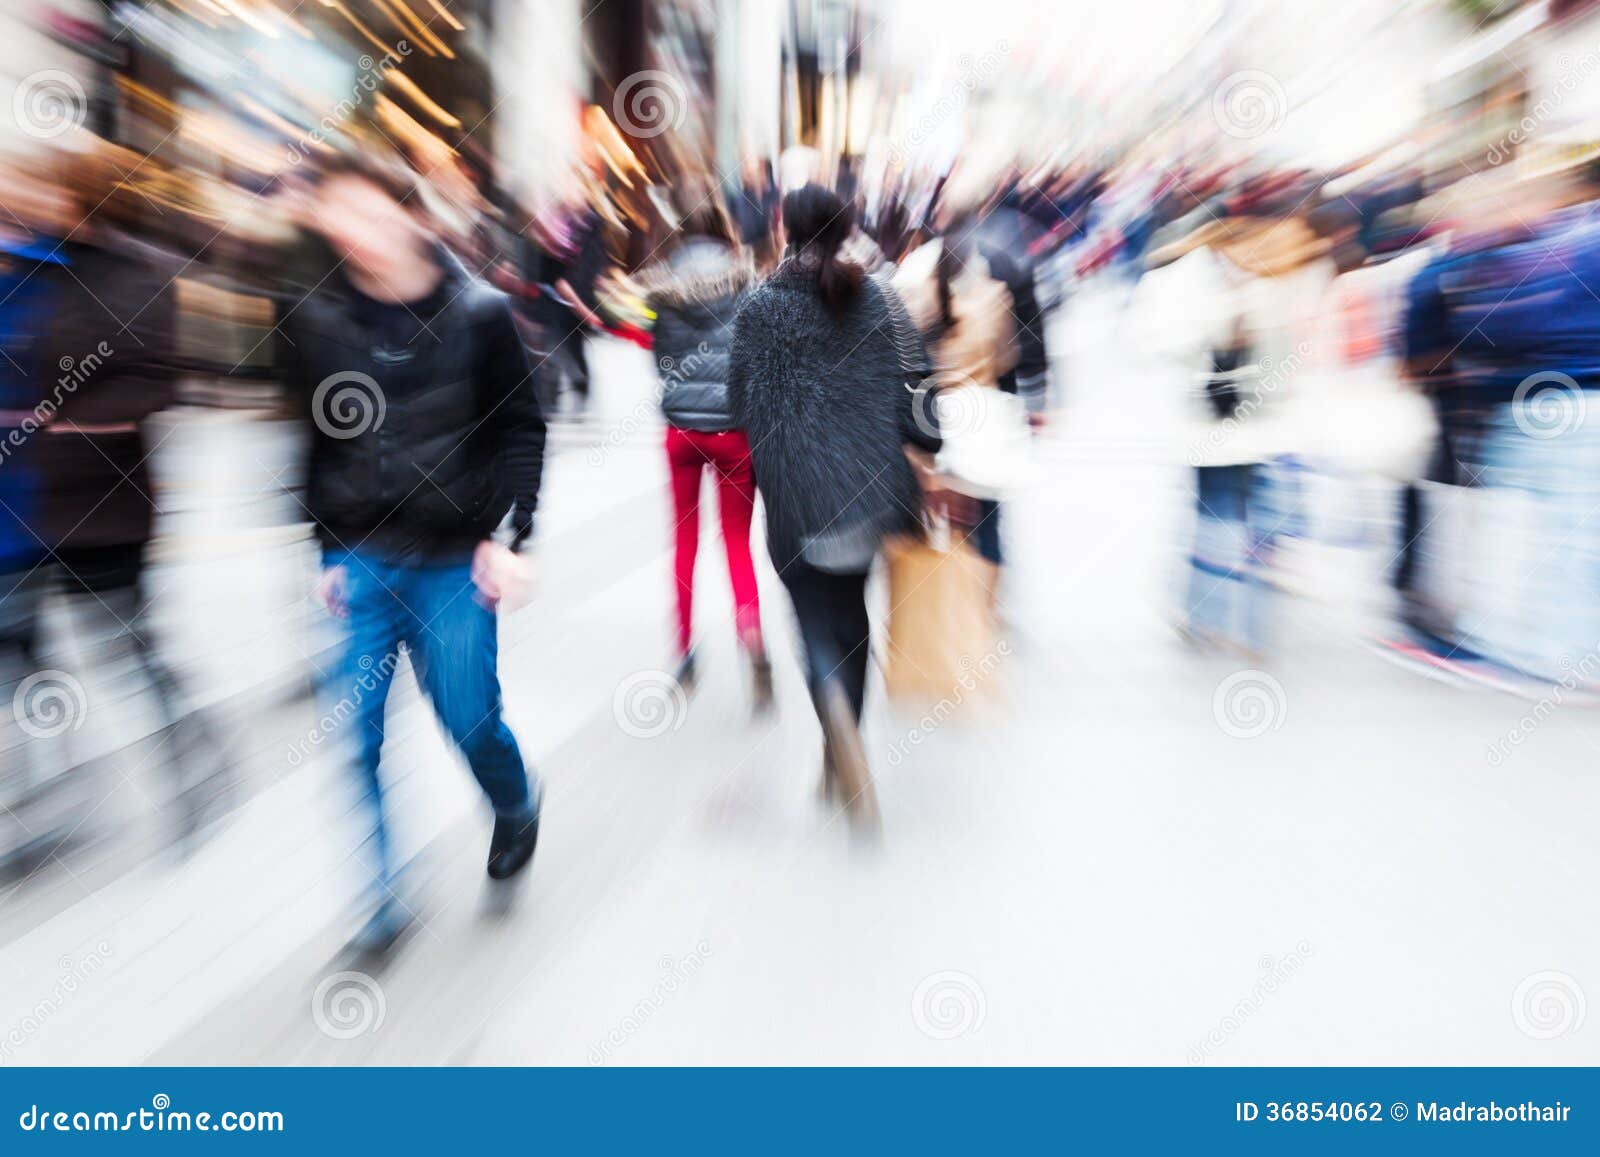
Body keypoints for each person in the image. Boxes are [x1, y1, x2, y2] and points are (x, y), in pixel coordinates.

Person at [280, 153, 546, 951]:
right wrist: (324, 547)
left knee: (469, 718)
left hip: (453, 559)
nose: (353, 234)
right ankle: (381, 902)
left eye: (366, 212)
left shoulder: (480, 314)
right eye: (337, 218)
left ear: (408, 212)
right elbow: (311, 441)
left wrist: (513, 534)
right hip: (363, 554)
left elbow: (520, 426)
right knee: (355, 731)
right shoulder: (318, 319)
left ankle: (515, 802)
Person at [727, 184, 940, 826]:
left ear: (782, 226)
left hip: (796, 497)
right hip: (875, 491)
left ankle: (836, 731)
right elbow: (920, 382)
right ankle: (841, 743)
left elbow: (738, 403)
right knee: (853, 619)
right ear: (847, 230)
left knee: (814, 623)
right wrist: (927, 445)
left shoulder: (759, 307)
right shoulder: (880, 297)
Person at [635, 193, 769, 705]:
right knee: (736, 539)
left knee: (685, 542)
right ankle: (751, 632)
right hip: (734, 430)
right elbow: (756, 352)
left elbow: (661, 357)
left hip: (682, 432)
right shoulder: (744, 280)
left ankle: (685, 650)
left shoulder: (663, 286)